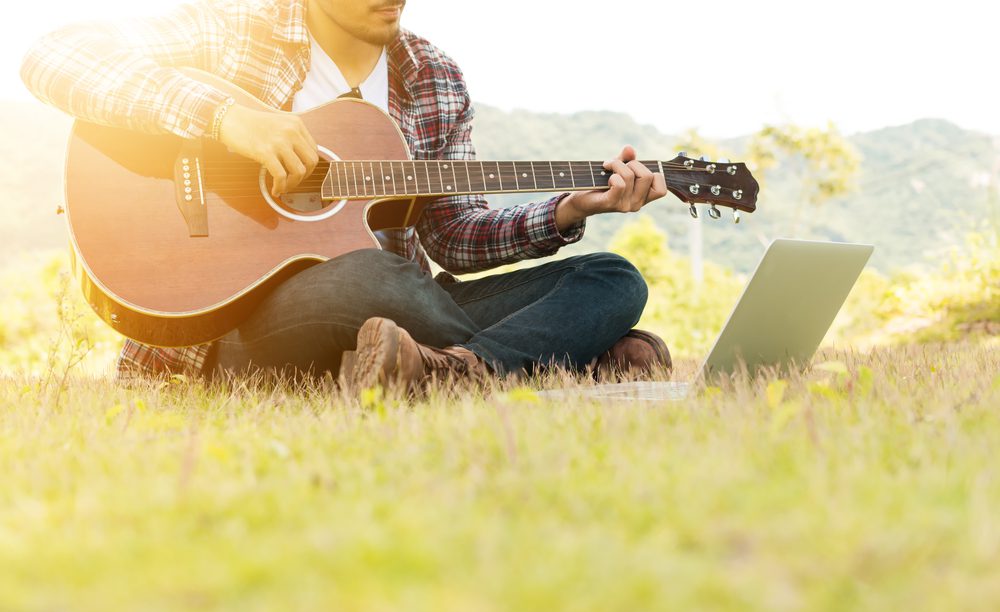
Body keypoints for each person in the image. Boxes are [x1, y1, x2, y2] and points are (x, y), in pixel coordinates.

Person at [20, 0, 672, 392]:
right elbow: (56, 56)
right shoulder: (235, 33)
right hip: (245, 325)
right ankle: (563, 352)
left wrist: (567, 210)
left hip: (399, 314)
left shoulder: (432, 75)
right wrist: (226, 117)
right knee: (370, 275)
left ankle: (454, 372)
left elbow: (451, 237)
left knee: (613, 278)